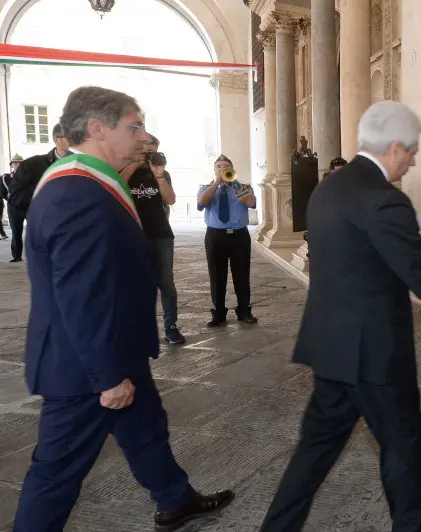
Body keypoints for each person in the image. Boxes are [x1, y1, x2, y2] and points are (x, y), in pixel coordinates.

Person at [259, 100, 421, 532]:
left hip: (330, 345)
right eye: (411, 153)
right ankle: (415, 525)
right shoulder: (383, 199)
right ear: (395, 147)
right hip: (374, 351)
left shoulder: (329, 189)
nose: (411, 164)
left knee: (315, 449)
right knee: (403, 440)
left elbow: (353, 263)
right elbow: (420, 273)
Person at [14, 86, 233, 532]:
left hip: (116, 349)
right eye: (134, 126)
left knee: (146, 427)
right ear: (97, 128)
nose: (143, 137)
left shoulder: (88, 181)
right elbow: (83, 295)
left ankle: (176, 499)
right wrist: (109, 377)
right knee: (57, 471)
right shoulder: (76, 192)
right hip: (86, 366)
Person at [124, 133, 185, 344]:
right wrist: (133, 165)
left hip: (161, 234)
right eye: (145, 150)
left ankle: (171, 326)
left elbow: (170, 199)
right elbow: (113, 191)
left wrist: (158, 174)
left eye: (153, 151)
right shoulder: (123, 171)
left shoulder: (162, 173)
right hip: (133, 235)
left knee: (167, 282)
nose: (148, 154)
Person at [197, 155, 257, 327]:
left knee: (242, 275)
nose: (222, 169)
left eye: (226, 166)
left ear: (232, 169)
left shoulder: (243, 187)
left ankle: (244, 311)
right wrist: (216, 183)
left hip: (239, 236)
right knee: (217, 275)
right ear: (214, 170)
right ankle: (219, 313)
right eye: (219, 166)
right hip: (216, 236)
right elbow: (202, 203)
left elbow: (250, 202)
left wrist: (234, 182)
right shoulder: (206, 188)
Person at [6, 125, 69, 262]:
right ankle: (16, 255)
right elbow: (17, 195)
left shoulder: (86, 163)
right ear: (57, 140)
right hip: (46, 225)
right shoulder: (33, 165)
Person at [0, 153, 23, 240]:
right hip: (14, 207)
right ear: (11, 165)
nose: (18, 165)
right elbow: (3, 192)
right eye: (15, 163)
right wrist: (11, 199)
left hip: (28, 206)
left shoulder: (29, 176)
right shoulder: (7, 178)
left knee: (33, 229)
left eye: (20, 163)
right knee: (16, 234)